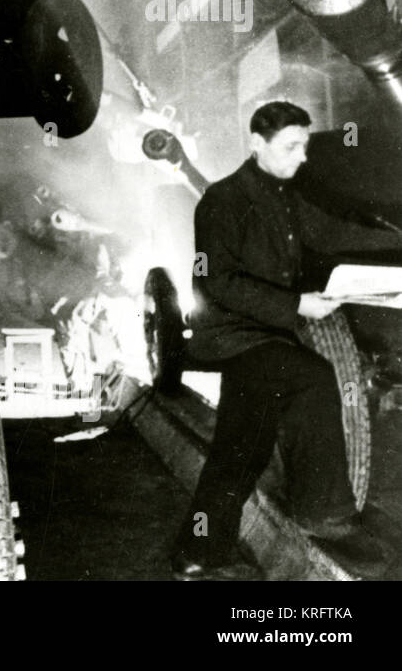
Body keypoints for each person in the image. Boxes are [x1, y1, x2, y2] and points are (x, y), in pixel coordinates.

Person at [171, 101, 402, 580]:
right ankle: (325, 515)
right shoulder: (222, 201)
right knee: (312, 378)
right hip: (233, 336)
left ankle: (197, 554)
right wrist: (296, 306)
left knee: (241, 450)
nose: (302, 157)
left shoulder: (284, 196)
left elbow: (329, 233)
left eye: (304, 145)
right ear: (257, 145)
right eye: (291, 146)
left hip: (262, 336)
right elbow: (219, 282)